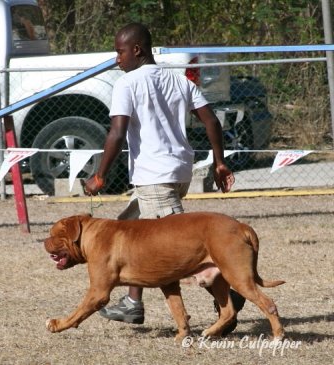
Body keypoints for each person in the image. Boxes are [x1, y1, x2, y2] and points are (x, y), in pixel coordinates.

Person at [84, 22, 245, 335]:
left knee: (179, 253)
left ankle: (230, 298)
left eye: (119, 51)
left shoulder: (127, 84)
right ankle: (133, 303)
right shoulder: (179, 80)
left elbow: (117, 132)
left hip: (154, 177)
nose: (116, 58)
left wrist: (99, 175)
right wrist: (219, 162)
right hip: (178, 171)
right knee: (129, 228)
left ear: (137, 50)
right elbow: (210, 120)